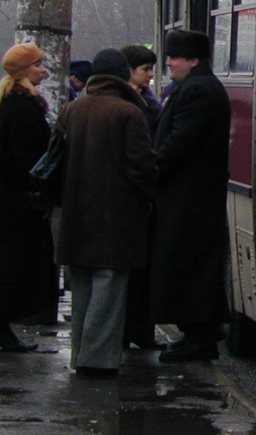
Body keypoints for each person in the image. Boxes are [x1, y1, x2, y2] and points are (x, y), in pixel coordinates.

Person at [55, 49, 157, 376]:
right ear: (122, 74)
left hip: (75, 213)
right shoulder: (129, 113)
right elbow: (141, 168)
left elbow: (55, 160)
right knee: (109, 287)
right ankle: (97, 360)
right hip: (116, 216)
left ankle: (79, 353)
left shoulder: (72, 110)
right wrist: (147, 203)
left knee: (82, 285)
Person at [150, 30, 231, 362]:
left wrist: (152, 165)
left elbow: (180, 141)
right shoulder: (197, 87)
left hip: (191, 196)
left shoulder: (198, 90)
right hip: (192, 194)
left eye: (174, 57)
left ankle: (199, 336)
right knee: (190, 262)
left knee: (189, 263)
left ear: (193, 60)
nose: (168, 63)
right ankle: (197, 332)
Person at [0, 42, 56, 352]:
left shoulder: (9, 101)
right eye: (37, 64)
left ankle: (5, 329)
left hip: (11, 200)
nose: (43, 69)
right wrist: (40, 193)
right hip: (19, 203)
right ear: (24, 70)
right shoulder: (25, 108)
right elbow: (32, 160)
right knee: (16, 266)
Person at [118, 44, 163, 350]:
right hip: (130, 198)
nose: (150, 75)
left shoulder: (148, 102)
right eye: (144, 69)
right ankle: (132, 329)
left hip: (141, 198)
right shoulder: (128, 105)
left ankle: (141, 328)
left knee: (142, 269)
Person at [120, 44, 161, 133]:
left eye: (151, 69)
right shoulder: (118, 99)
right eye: (145, 69)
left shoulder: (149, 100)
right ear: (130, 70)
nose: (151, 74)